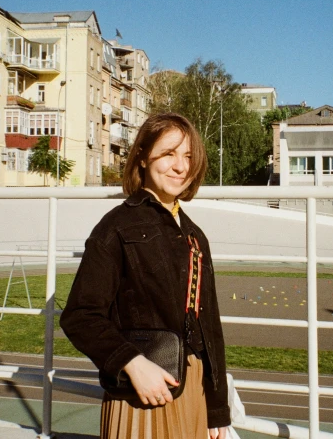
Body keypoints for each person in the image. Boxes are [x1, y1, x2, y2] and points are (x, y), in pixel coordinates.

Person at [61, 113, 231, 439]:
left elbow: (210, 330)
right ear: (141, 156)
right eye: (168, 153)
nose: (180, 166)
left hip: (193, 392)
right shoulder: (116, 227)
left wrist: (216, 410)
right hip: (142, 395)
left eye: (189, 156)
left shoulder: (195, 235)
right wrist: (133, 364)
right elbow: (80, 316)